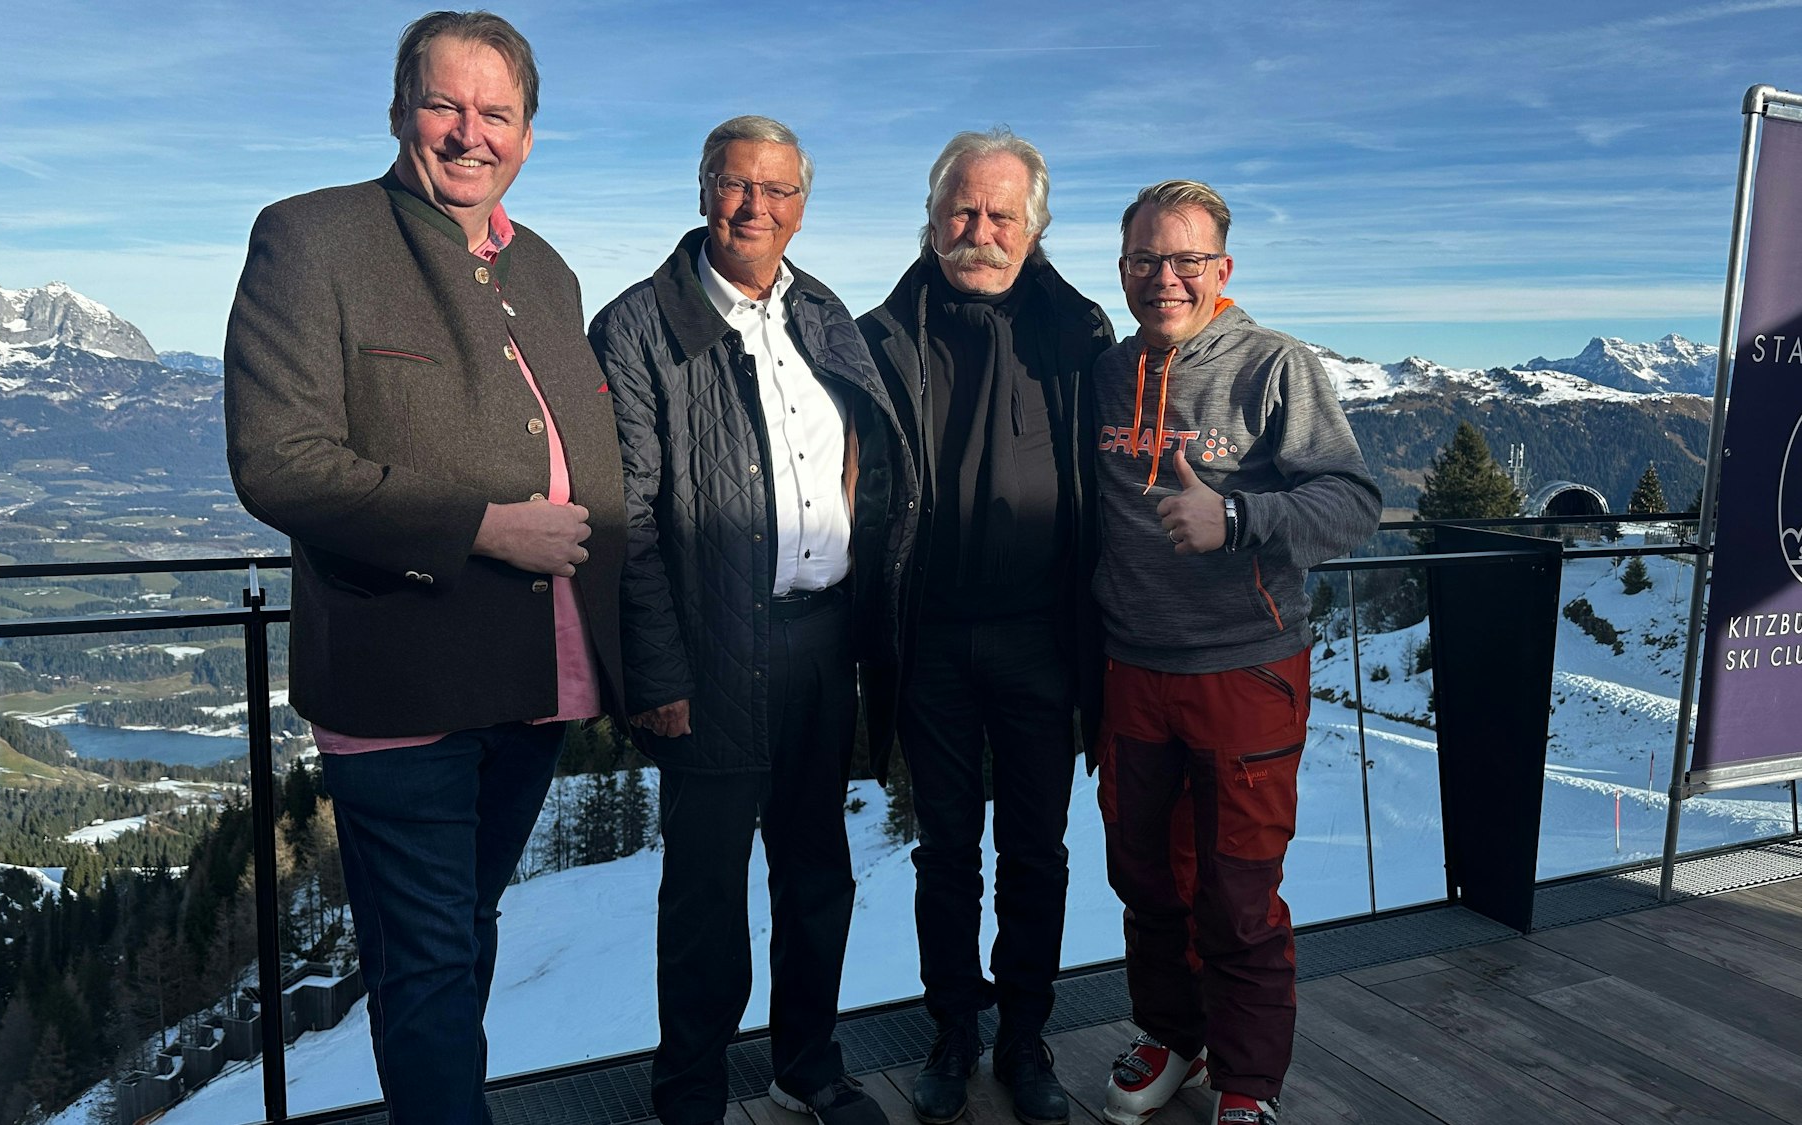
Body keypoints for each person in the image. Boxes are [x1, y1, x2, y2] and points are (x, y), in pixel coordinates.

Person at [221, 11, 624, 1124]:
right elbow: (280, 462)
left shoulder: (546, 270)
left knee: (464, 934)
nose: (468, 132)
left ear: (529, 135)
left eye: (496, 112)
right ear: (401, 111)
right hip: (401, 683)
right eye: (445, 104)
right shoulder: (314, 238)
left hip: (537, 681)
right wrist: (484, 527)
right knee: (434, 957)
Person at [589, 115, 917, 1125]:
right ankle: (688, 1094)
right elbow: (629, 521)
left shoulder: (821, 311)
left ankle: (804, 1068)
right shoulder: (639, 325)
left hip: (824, 638)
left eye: (777, 190)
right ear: (700, 191)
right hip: (712, 647)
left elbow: (868, 463)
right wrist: (656, 673)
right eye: (735, 185)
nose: (753, 207)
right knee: (703, 898)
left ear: (801, 206)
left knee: (817, 874)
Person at [1090, 181, 1381, 1125]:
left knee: (1238, 890)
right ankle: (1174, 1034)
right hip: (1132, 669)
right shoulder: (1105, 371)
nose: (1163, 279)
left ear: (1223, 270)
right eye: (1144, 260)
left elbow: (1353, 503)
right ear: (1123, 266)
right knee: (1144, 876)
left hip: (1245, 670)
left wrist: (1239, 516)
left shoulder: (1276, 367)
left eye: (1185, 262)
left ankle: (1248, 1081)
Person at [856, 128, 1110, 1125]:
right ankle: (952, 1029)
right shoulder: (884, 336)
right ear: (930, 218)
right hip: (929, 643)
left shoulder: (1080, 335)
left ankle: (1024, 1035)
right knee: (945, 854)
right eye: (962, 210)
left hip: (1044, 640)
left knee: (1036, 855)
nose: (980, 229)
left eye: (1002, 214)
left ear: (1034, 226)